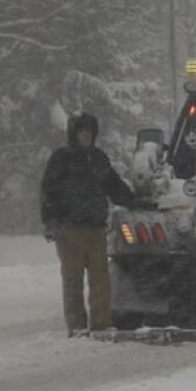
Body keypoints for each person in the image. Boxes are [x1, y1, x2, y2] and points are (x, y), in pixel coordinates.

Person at [40, 111, 136, 336]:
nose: (86, 137)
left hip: (96, 228)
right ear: (74, 134)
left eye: (90, 133)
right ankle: (76, 326)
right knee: (73, 280)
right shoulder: (61, 158)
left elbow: (114, 186)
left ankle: (102, 324)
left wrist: (134, 201)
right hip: (69, 229)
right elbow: (48, 191)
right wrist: (50, 221)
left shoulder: (99, 159)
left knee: (101, 279)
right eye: (82, 133)